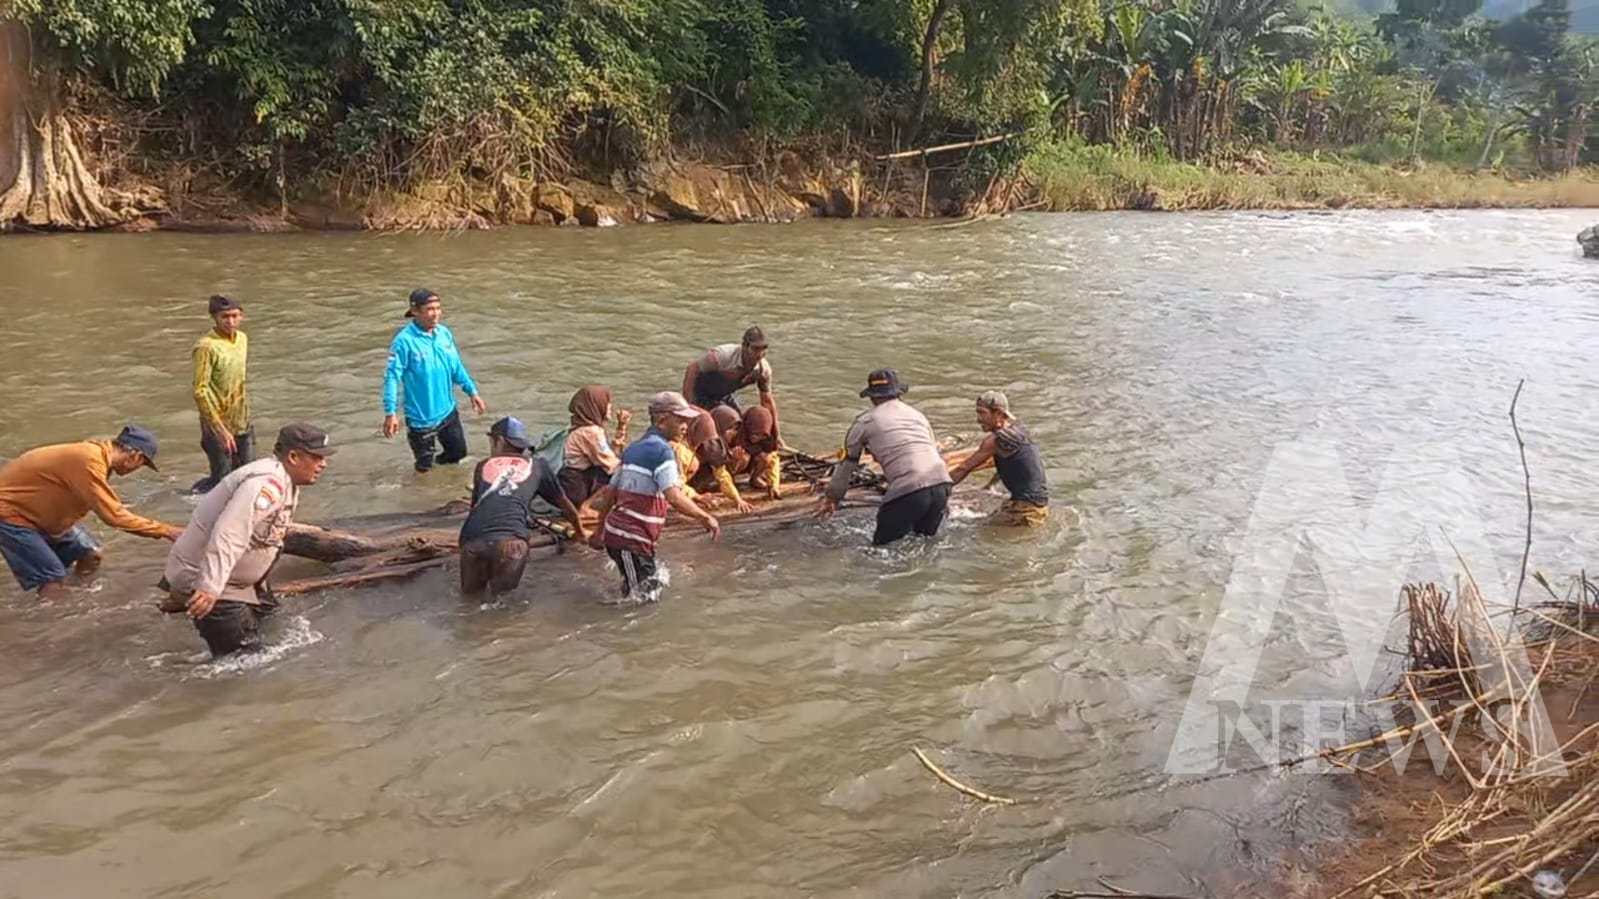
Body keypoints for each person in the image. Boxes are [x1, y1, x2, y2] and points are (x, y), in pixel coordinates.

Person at [164, 424, 334, 657]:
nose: (323, 464)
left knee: (274, 626)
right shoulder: (265, 484)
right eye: (317, 457)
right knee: (246, 662)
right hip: (218, 586)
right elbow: (229, 533)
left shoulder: (284, 479)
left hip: (242, 583)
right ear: (293, 457)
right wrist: (209, 587)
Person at [0, 426, 180, 599]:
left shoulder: (96, 457)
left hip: (37, 514)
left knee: (90, 555)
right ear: (135, 456)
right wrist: (167, 531)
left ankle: (80, 597)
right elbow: (114, 516)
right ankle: (54, 612)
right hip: (11, 514)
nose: (137, 469)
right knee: (52, 577)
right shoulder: (89, 460)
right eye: (143, 464)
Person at [587, 391, 720, 601]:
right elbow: (673, 496)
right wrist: (705, 517)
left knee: (639, 590)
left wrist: (599, 530)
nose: (686, 426)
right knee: (643, 600)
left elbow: (610, 493)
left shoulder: (634, 448)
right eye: (681, 420)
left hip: (623, 537)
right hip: (630, 539)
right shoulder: (662, 452)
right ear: (662, 420)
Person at [815, 370, 953, 546]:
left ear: (872, 397)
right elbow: (932, 453)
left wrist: (832, 498)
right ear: (898, 393)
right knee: (924, 544)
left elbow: (847, 465)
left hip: (909, 490)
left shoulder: (865, 422)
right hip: (942, 486)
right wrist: (943, 500)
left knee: (880, 550)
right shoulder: (918, 416)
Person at [459, 417, 586, 598]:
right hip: (511, 544)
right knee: (503, 602)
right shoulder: (538, 465)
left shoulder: (483, 466)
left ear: (499, 441)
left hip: (473, 541)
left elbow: (475, 509)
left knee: (469, 601)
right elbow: (565, 505)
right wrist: (580, 534)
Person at [381, 288, 488, 473]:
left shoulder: (444, 334)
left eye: (438, 308)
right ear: (415, 311)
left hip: (448, 412)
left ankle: (444, 482)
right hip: (421, 420)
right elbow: (392, 378)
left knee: (458, 454)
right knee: (424, 470)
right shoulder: (404, 342)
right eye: (430, 309)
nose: (436, 313)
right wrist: (391, 413)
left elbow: (456, 366)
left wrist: (472, 391)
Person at [947, 391, 1050, 526]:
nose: (978, 419)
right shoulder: (1019, 430)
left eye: (982, 413)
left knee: (965, 528)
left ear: (999, 414)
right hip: (1036, 505)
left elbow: (964, 468)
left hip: (1026, 511)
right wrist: (990, 486)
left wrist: (938, 489)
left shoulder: (996, 440)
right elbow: (1012, 464)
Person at [191, 294, 253, 493]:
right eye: (225, 317)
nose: (231, 322)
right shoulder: (206, 347)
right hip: (217, 423)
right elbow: (200, 391)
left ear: (242, 315)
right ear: (215, 317)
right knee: (223, 484)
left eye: (235, 316)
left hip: (241, 419)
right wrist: (220, 430)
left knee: (248, 476)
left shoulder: (242, 339)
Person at [681, 326, 780, 440]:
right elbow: (692, 369)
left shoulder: (763, 370)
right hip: (700, 393)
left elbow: (767, 401)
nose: (760, 354)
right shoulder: (722, 356)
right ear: (744, 346)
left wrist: (777, 437)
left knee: (742, 422)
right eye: (755, 349)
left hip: (724, 394)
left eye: (764, 349)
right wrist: (688, 406)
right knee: (724, 420)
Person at [559, 385, 630, 506]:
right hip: (576, 486)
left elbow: (609, 455)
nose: (610, 407)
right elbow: (610, 464)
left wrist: (621, 427)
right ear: (595, 406)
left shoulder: (581, 427)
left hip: (571, 482)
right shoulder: (590, 432)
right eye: (607, 403)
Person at [673, 407, 753, 514]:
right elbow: (674, 483)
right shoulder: (679, 449)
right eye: (730, 428)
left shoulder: (711, 443)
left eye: (735, 429)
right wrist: (697, 497)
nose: (733, 432)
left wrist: (737, 498)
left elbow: (721, 474)